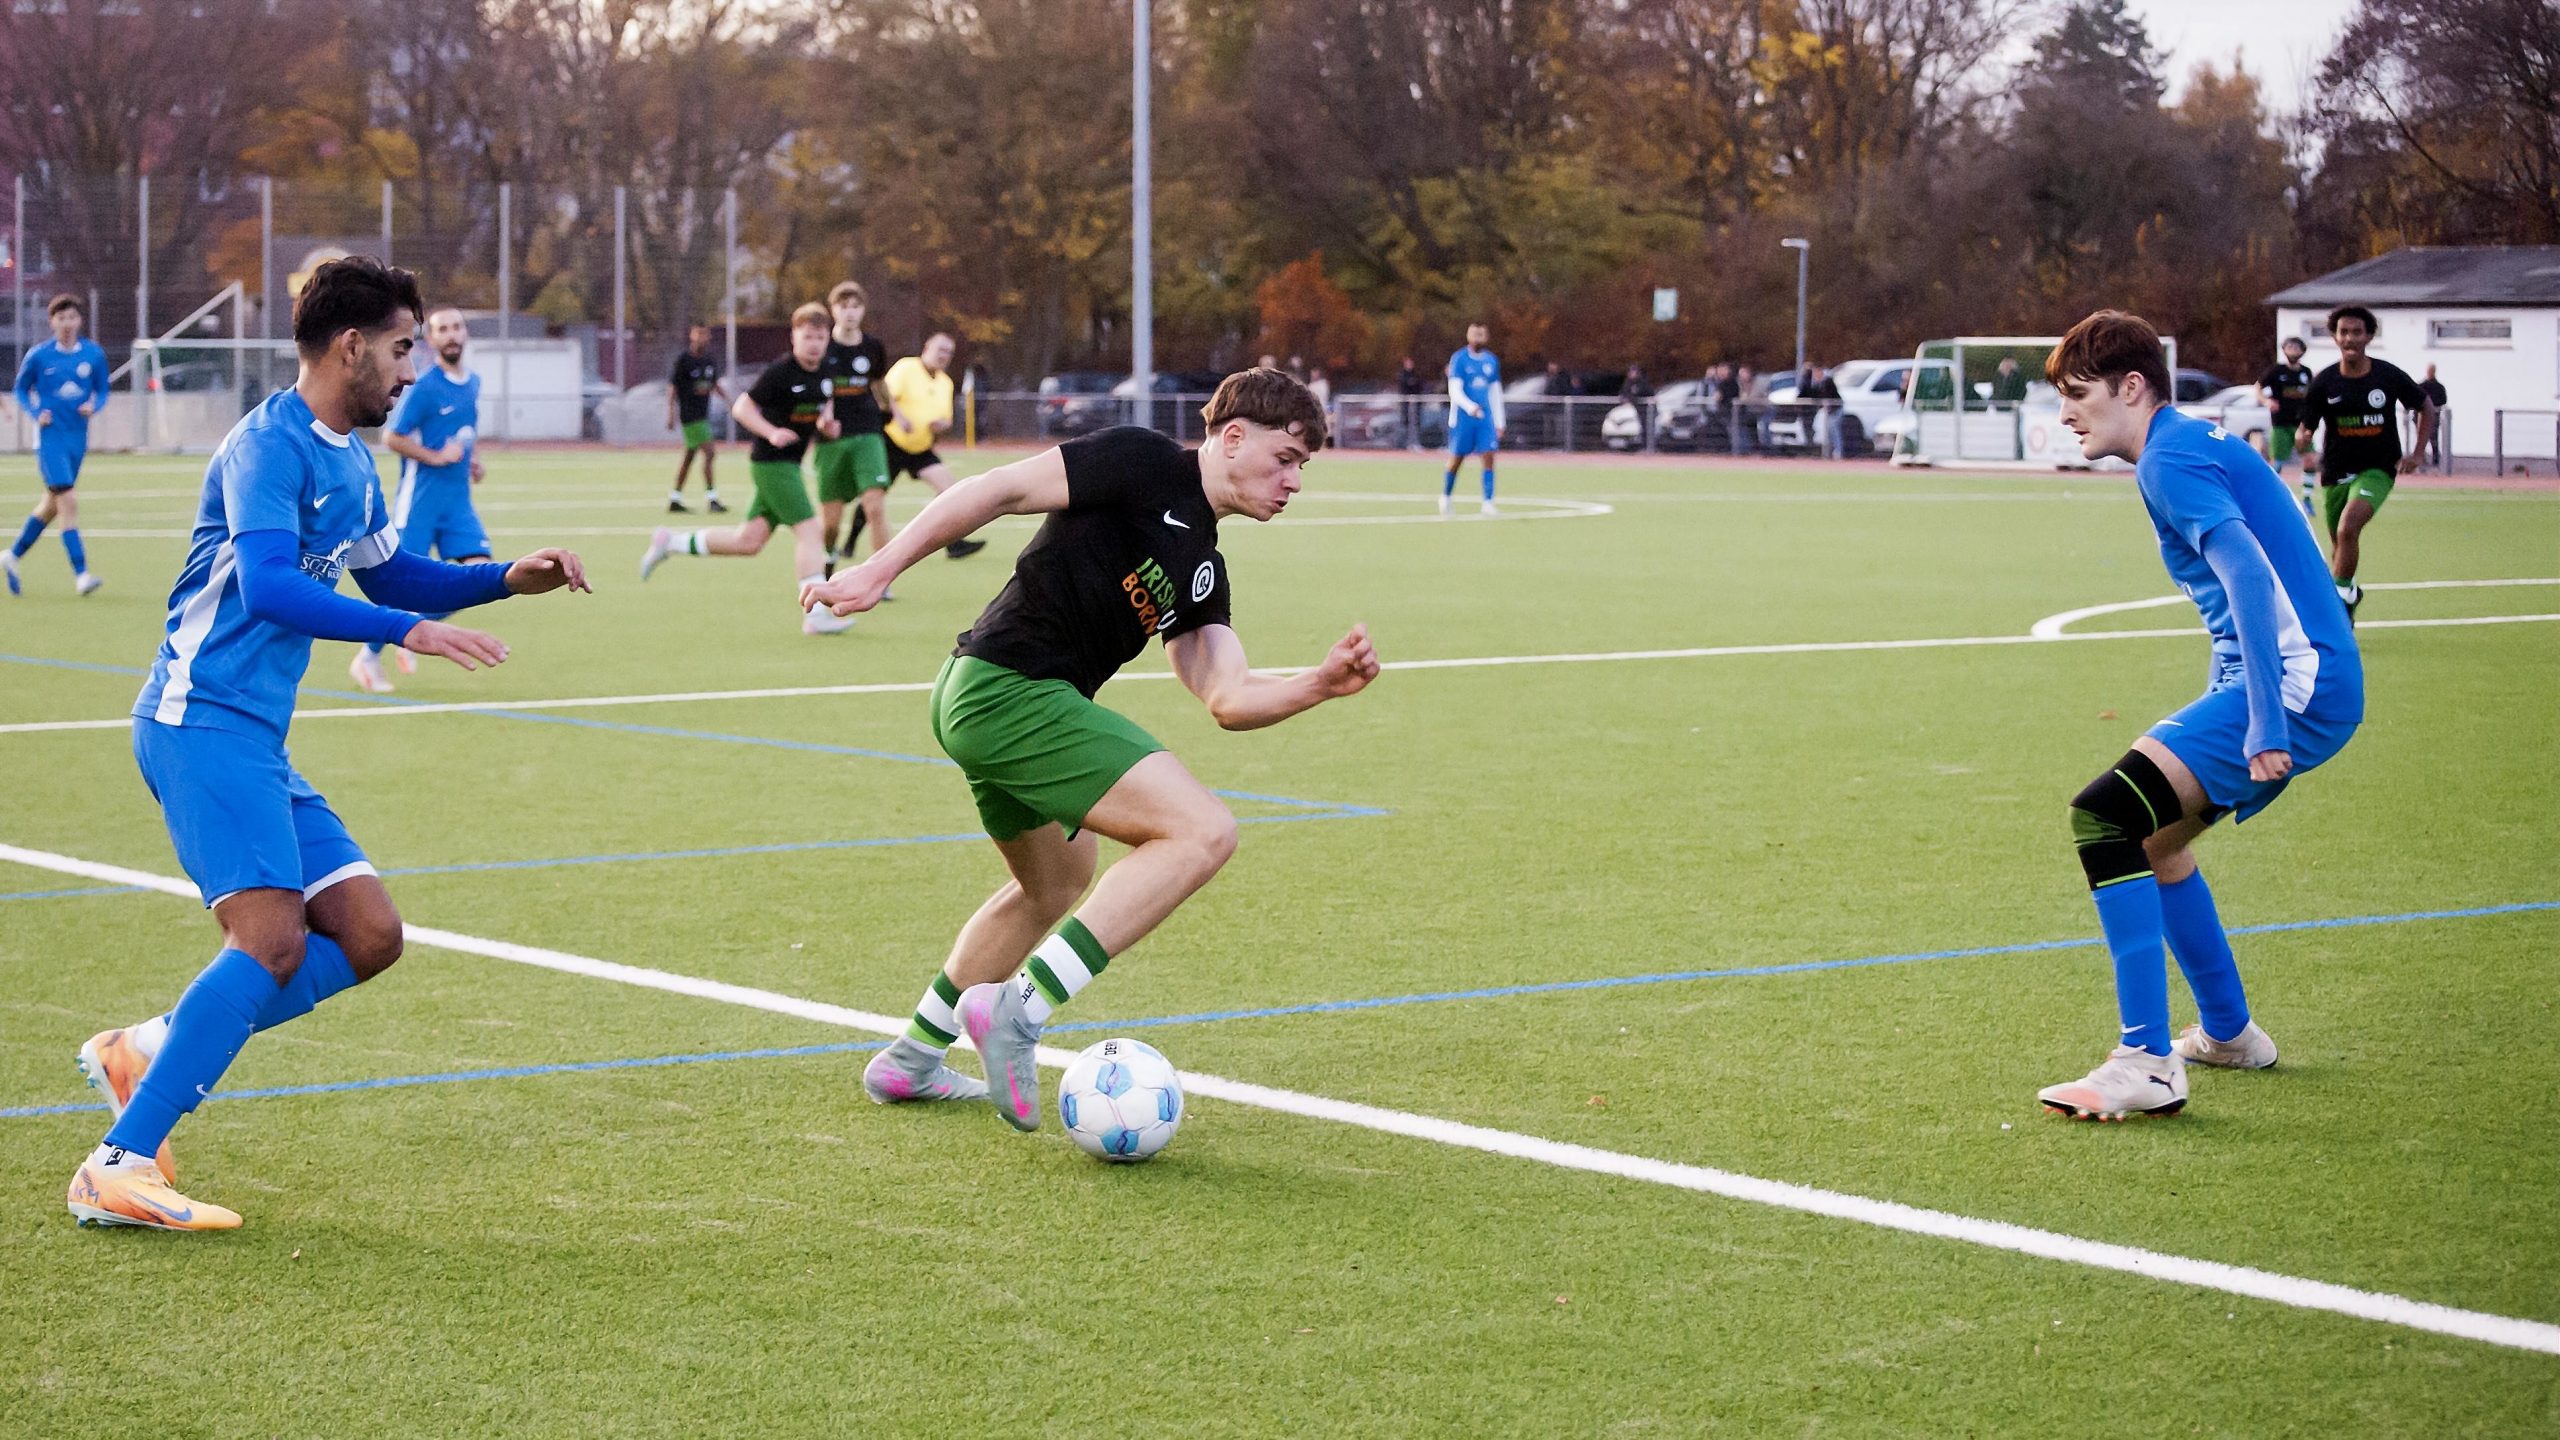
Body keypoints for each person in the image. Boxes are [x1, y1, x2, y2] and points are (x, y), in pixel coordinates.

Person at [65, 257, 590, 1229]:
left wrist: (503, 579)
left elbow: (392, 579)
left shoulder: (350, 458)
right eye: (400, 351)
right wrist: (403, 637)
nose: (413, 373)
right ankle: (118, 1162)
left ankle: (148, 1047)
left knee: (368, 933)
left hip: (253, 738)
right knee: (268, 942)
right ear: (349, 348)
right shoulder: (267, 446)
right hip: (197, 723)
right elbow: (269, 585)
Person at [799, 369, 1379, 1127]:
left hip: (995, 702)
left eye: (1304, 466)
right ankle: (1019, 1010)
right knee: (1203, 831)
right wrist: (878, 568)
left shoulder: (1202, 566)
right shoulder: (1143, 461)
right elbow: (1000, 490)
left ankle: (910, 1059)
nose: (1295, 480)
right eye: (1289, 457)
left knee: (1055, 883)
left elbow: (1227, 696)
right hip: (1005, 690)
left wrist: (1317, 684)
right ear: (1233, 436)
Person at [2036, 309, 2360, 1122]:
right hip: (2296, 680)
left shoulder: (2169, 461)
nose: (2066, 415)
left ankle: (2145, 1060)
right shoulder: (2190, 442)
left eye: (2078, 395)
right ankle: (2227, 1035)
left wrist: (2263, 724)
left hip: (2291, 688)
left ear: (2132, 386)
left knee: (2101, 818)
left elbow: (2250, 579)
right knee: (2155, 839)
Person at [638, 303, 856, 635]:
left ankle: (670, 542)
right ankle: (814, 617)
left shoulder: (825, 372)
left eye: (820, 336)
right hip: (772, 464)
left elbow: (824, 406)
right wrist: (771, 432)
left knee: (748, 542)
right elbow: (742, 407)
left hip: (789, 465)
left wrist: (827, 425)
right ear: (793, 336)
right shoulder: (781, 372)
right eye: (807, 336)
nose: (814, 343)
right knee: (810, 532)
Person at [351, 306, 487, 694]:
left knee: (478, 573)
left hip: (457, 502)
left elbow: (461, 434)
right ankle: (369, 656)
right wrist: (435, 457)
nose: (452, 335)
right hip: (420, 501)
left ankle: (410, 632)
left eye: (457, 327)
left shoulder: (473, 382)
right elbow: (393, 437)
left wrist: (472, 462)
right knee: (398, 590)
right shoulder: (425, 386)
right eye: (443, 329)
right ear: (431, 339)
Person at [2295, 305, 2432, 622]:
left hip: (2377, 469)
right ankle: (2351, 594)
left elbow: (2425, 405)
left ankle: (2339, 610)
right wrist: (2302, 439)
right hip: (2336, 473)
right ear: (2334, 337)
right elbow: (2308, 428)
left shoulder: (2387, 375)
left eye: (2357, 332)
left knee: (2348, 528)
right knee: (2340, 546)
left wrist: (2418, 452)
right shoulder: (2324, 382)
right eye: (2343, 332)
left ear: (2369, 336)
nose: (2350, 338)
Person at [5, 294, 111, 597]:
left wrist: (96, 404)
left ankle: (12, 556)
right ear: (52, 321)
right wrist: (37, 412)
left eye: (72, 318)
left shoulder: (93, 354)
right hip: (50, 439)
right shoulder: (39, 355)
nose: (67, 324)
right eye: (61, 318)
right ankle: (81, 575)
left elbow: (103, 389)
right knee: (69, 502)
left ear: (79, 320)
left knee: (51, 506)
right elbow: (21, 390)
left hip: (77, 437)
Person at [879, 331, 988, 560]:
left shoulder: (945, 383)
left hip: (920, 448)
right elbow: (885, 395)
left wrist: (942, 425)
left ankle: (953, 544)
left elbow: (946, 419)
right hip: (892, 443)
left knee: (950, 489)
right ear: (927, 347)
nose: (944, 356)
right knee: (875, 495)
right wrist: (899, 417)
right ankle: (850, 540)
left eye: (949, 352)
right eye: (940, 349)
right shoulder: (907, 367)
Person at [814, 281, 890, 572]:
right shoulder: (822, 347)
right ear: (833, 310)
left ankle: (880, 574)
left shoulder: (872, 347)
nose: (850, 313)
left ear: (863, 310)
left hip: (868, 432)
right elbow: (819, 390)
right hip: (831, 439)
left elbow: (878, 383)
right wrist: (822, 419)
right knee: (831, 522)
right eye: (843, 306)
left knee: (875, 506)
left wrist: (896, 411)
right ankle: (829, 555)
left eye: (855, 306)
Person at [665, 323, 728, 514]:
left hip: (703, 414)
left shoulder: (709, 360)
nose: (701, 337)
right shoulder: (684, 360)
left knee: (689, 458)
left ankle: (675, 499)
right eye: (698, 333)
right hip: (690, 416)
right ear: (692, 335)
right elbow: (672, 388)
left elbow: (714, 384)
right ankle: (712, 499)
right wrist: (670, 413)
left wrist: (731, 401)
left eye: (705, 334)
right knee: (710, 453)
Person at [1443, 322, 1503, 517]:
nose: (1478, 338)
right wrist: (1470, 407)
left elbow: (1495, 392)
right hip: (1463, 418)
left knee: (1489, 457)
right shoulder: (1459, 359)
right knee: (1456, 459)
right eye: (1475, 335)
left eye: (1482, 335)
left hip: (1484, 419)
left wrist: (1500, 422)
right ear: (1469, 336)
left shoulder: (1491, 361)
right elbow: (1455, 390)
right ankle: (1446, 496)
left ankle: (1488, 502)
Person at [2255, 336, 2314, 483]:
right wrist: (2266, 401)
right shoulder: (2276, 370)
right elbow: (2258, 387)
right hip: (2281, 423)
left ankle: (2307, 499)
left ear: (2302, 351)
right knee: (2277, 463)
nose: (2293, 351)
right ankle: (2270, 491)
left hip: (2301, 424)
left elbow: (2312, 394)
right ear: (2284, 350)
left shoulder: (2306, 372)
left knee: (2310, 459)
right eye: (2289, 348)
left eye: (2296, 348)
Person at [2418, 364, 2449, 467]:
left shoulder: (2438, 387)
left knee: (2433, 438)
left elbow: (2443, 401)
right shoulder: (2422, 386)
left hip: (2433, 416)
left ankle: (2435, 460)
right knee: (2422, 438)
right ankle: (2422, 459)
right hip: (2422, 416)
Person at [1619, 364, 1654, 448]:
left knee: (1646, 427)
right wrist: (1624, 398)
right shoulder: (1627, 383)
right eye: (1631, 372)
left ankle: (1648, 447)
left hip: (1643, 409)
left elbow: (1649, 393)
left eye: (1634, 372)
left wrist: (1650, 399)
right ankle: (1639, 446)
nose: (1632, 373)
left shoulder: (1642, 382)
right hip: (1633, 408)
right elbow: (1624, 393)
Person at [1397, 355, 1424, 450]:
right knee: (1405, 424)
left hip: (1415, 402)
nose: (1410, 365)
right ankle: (1404, 444)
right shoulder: (1402, 374)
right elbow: (1404, 384)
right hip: (1406, 403)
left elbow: (1419, 385)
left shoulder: (1416, 374)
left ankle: (1415, 443)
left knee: (1415, 424)